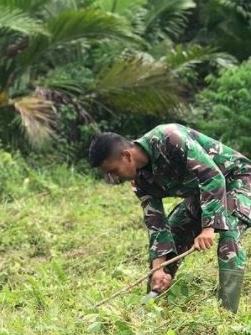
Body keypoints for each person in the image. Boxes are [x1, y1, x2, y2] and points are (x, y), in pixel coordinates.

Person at [88, 123, 251, 312]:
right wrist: (158, 268)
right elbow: (156, 223)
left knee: (228, 232)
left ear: (127, 155)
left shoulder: (169, 138)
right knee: (174, 233)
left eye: (113, 171)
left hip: (237, 179)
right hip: (202, 192)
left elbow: (213, 177)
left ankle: (226, 316)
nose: (113, 178)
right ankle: (151, 308)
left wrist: (208, 227)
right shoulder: (138, 181)